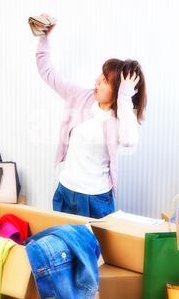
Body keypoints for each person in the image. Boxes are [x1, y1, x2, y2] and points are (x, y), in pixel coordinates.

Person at [35, 13, 147, 219]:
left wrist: (124, 98)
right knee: (63, 247)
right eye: (100, 76)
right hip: (65, 191)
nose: (96, 81)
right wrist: (44, 39)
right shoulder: (81, 96)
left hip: (96, 199)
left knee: (94, 251)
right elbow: (47, 72)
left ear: (118, 90)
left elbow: (130, 141)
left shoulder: (120, 118)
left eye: (104, 80)